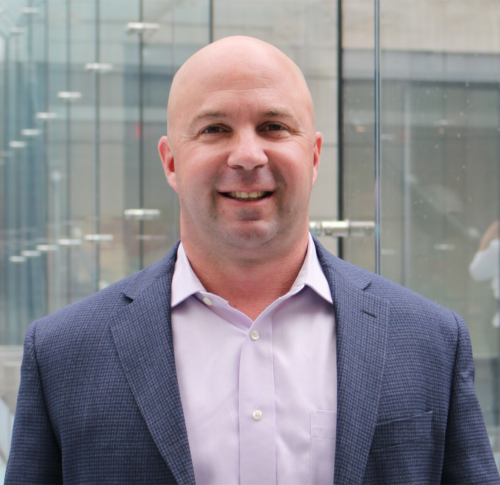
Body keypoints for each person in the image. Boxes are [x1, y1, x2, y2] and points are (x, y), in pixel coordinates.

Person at [5, 36, 499, 485]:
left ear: (314, 156)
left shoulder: (430, 341)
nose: (247, 155)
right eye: (215, 128)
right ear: (171, 162)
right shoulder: (62, 355)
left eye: (273, 127)